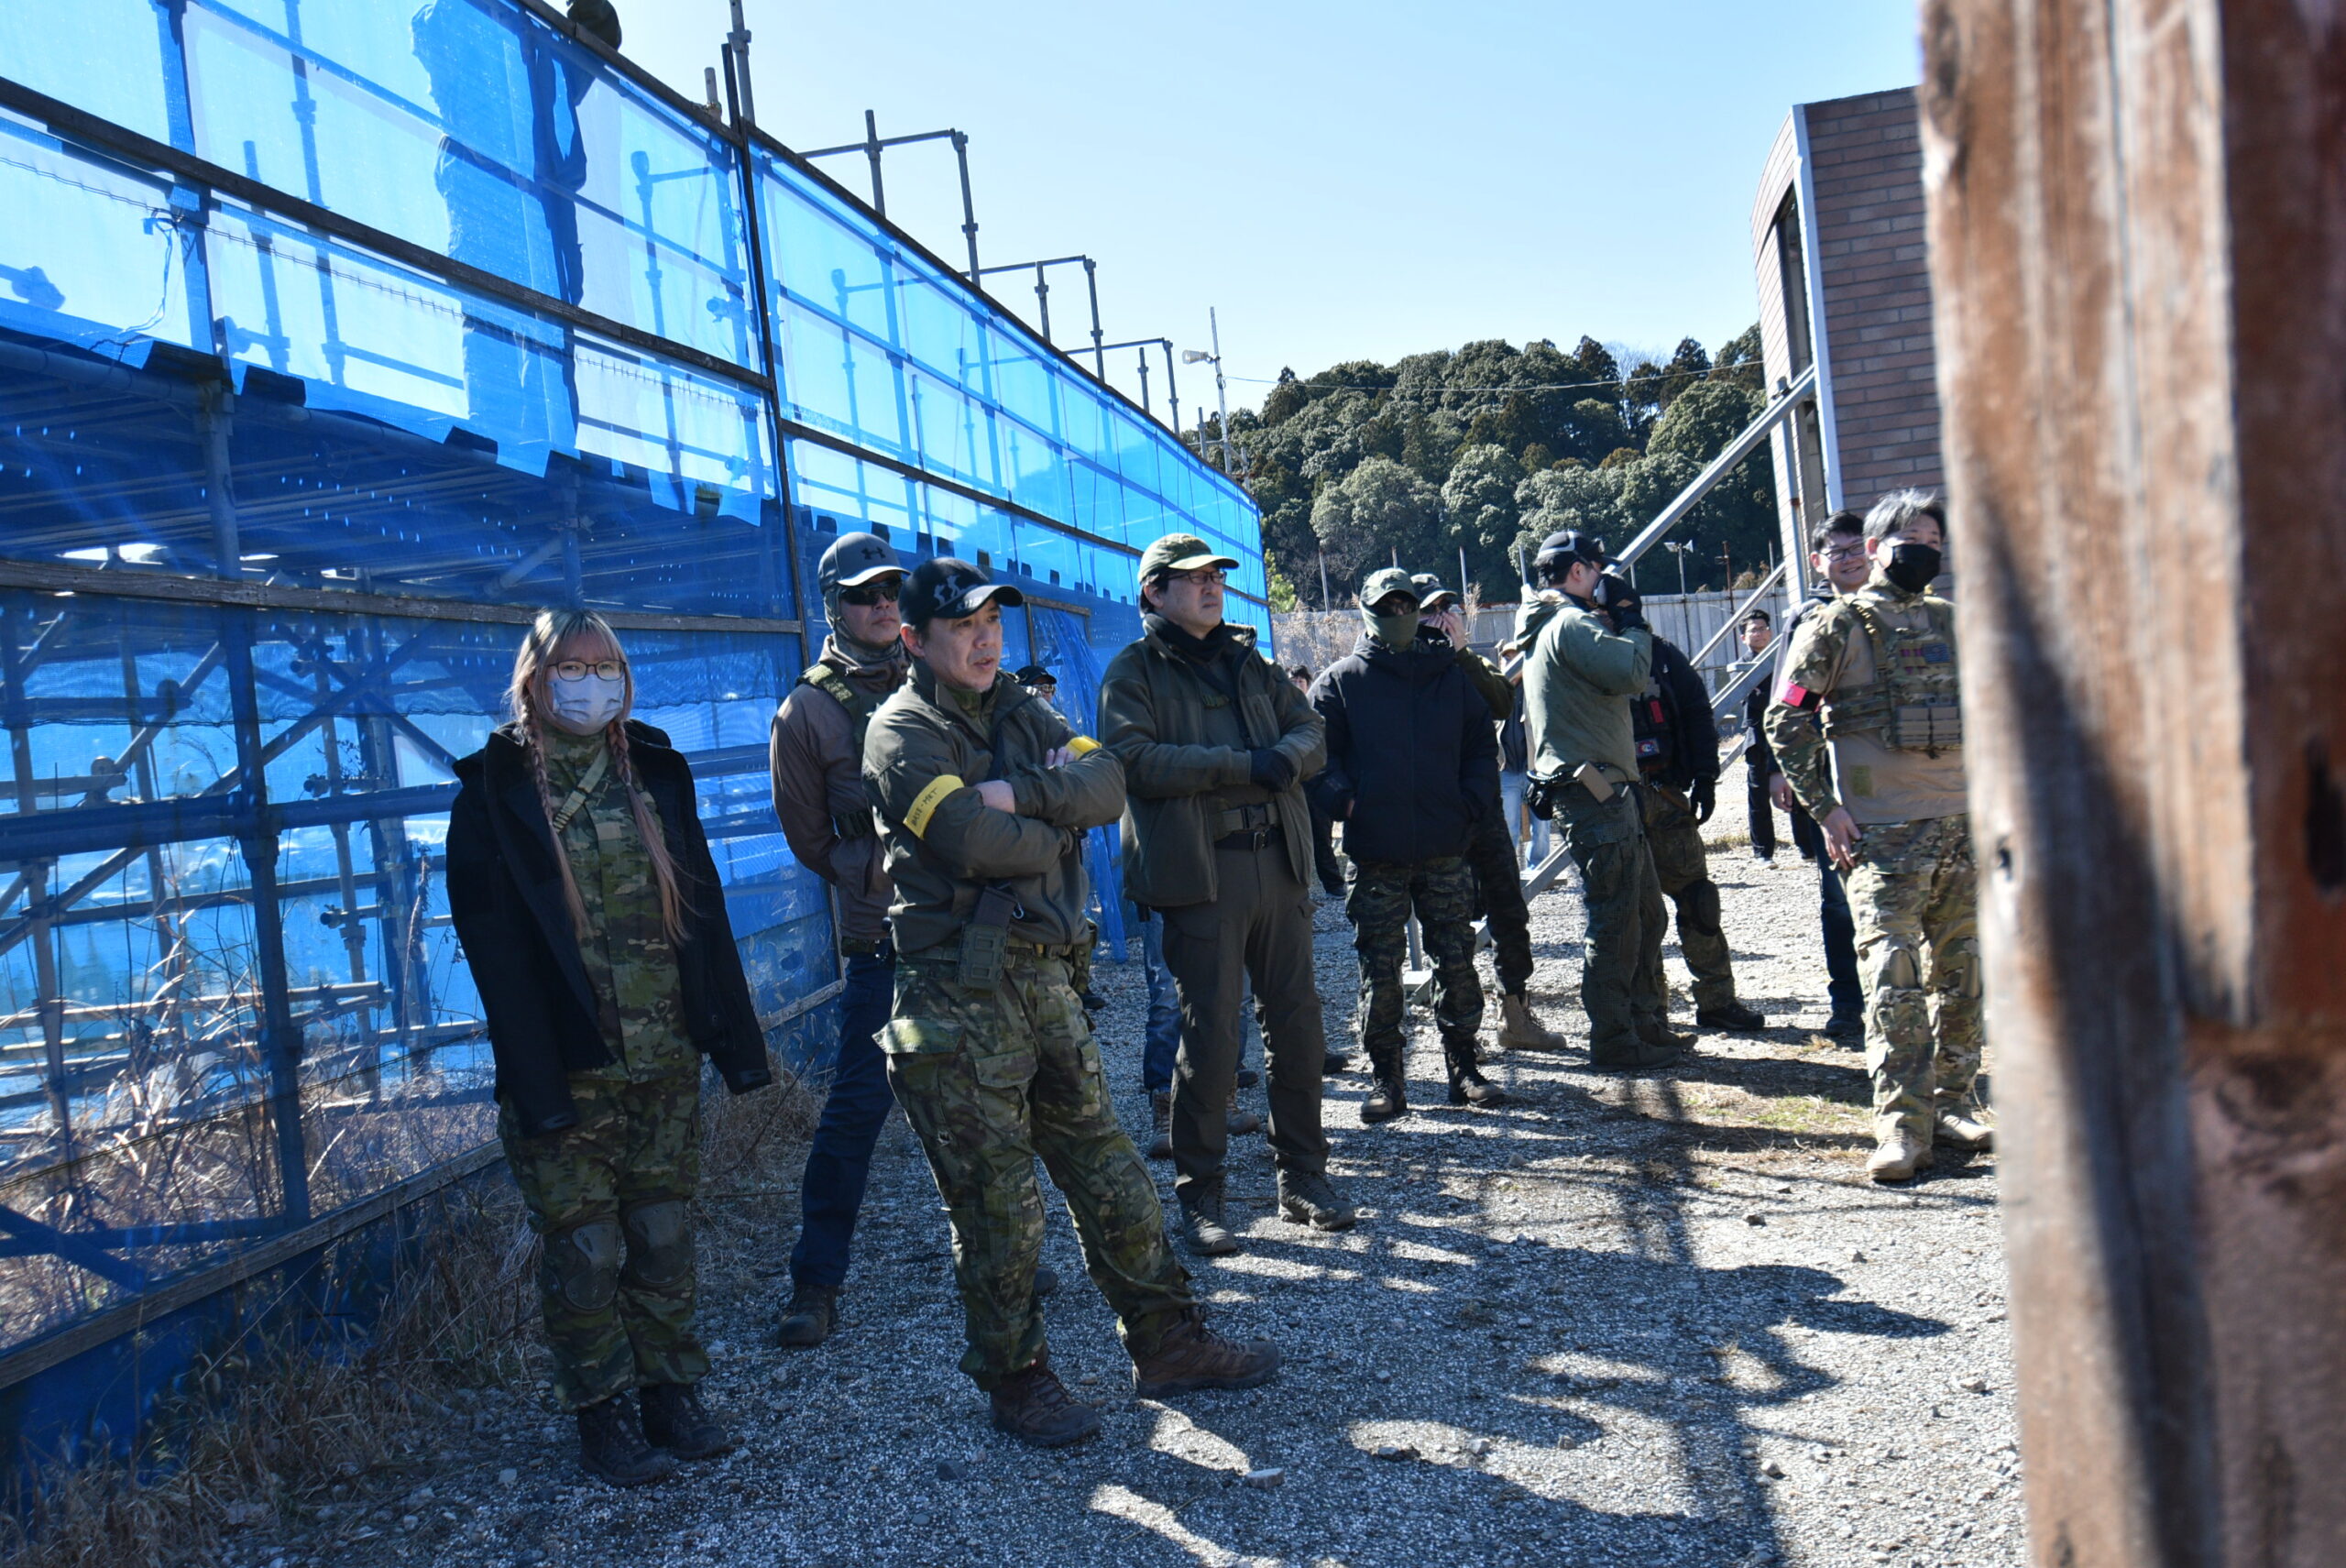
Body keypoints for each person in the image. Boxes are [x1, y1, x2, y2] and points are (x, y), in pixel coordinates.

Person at [863, 555, 1277, 1446]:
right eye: (963, 627)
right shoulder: (900, 731)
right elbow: (971, 840)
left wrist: (1026, 796)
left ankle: (1166, 1340)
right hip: (957, 992)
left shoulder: (1021, 707)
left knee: (1112, 1171)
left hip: (1046, 978)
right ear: (915, 641)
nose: (984, 641)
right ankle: (1016, 1379)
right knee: (999, 1204)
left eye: (991, 623)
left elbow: (1108, 783)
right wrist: (1056, 828)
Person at [448, 610, 773, 1487]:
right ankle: (602, 1412)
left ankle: (672, 1393)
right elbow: (495, 957)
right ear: (535, 679)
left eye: (605, 667)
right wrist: (536, 1082)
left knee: (663, 1232)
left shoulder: (655, 773)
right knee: (585, 1249)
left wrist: (731, 1041)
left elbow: (703, 914)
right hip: (569, 1067)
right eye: (571, 667)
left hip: (663, 1059)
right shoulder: (493, 795)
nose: (589, 684)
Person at [1100, 535, 1353, 1256]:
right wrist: (1244, 765)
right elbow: (1133, 759)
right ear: (1154, 592)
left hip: (1279, 863)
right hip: (1201, 874)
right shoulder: (1135, 670)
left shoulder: (1249, 660)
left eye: (1216, 575)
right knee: (1210, 1037)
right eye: (1194, 578)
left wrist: (1284, 759)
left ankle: (1303, 1176)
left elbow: (1311, 730)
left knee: (1298, 1027)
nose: (1212, 586)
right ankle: (1201, 1194)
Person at [1764, 491, 1987, 1182]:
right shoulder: (1837, 624)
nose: (1925, 550)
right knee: (1893, 981)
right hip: (1881, 837)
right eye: (1912, 537)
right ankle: (1901, 1128)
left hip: (1960, 829)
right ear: (1875, 547)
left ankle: (1953, 1105)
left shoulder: (1953, 621)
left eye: (1935, 541)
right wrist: (1826, 809)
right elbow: (1786, 718)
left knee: (1965, 978)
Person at [1310, 567, 1504, 1120]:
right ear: (1367, 611)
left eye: (1405, 606)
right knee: (1380, 969)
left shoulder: (1449, 675)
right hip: (1376, 853)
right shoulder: (1342, 682)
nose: (1397, 615)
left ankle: (1464, 1066)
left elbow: (1480, 748)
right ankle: (1387, 1078)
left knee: (1457, 959)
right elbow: (1317, 760)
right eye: (1386, 607)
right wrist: (1349, 804)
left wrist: (1468, 804)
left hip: (1445, 848)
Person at [1517, 531, 1683, 1069]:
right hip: (1595, 793)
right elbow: (1633, 672)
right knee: (1616, 920)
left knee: (1644, 913)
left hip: (1603, 790)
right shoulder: (1570, 623)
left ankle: (1643, 1022)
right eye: (1597, 570)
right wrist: (1632, 622)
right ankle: (1614, 1038)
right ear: (1579, 572)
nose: (1604, 581)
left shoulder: (1551, 624)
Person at [1411, 574, 1569, 1051]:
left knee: (1508, 910)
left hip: (1483, 808)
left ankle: (1514, 1015)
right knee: (1449, 920)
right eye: (1428, 612)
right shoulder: (1401, 668)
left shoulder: (1468, 662)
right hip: (1436, 813)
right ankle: (1459, 1026)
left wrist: (1460, 653)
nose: (1441, 620)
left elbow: (1502, 701)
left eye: (1447, 609)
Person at [1749, 514, 1870, 1043]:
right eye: (1837, 552)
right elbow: (1785, 701)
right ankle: (1847, 1004)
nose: (1850, 559)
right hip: (1833, 779)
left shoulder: (1900, 611)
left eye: (1856, 548)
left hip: (1900, 782)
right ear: (1819, 563)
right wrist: (1779, 769)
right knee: (1839, 896)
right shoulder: (1809, 618)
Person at [1632, 632, 1767, 1033]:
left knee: (1698, 900)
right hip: (1613, 802)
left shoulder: (1661, 654)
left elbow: (1696, 712)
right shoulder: (1581, 648)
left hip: (1667, 794)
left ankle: (1717, 1001)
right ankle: (1650, 1013)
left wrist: (1706, 775)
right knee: (1638, 913)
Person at [1290, 663, 1348, 897]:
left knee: (1321, 834)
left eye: (1301, 681)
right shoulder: (1280, 709)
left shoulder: (1318, 708)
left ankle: (1333, 884)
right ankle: (1298, 889)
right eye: (1293, 681)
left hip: (1318, 779)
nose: (1297, 685)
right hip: (1293, 783)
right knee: (1295, 839)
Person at [1498, 658, 1551, 872]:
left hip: (1534, 768)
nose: (1511, 663)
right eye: (1507, 658)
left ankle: (1539, 870)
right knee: (1508, 825)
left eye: (1515, 658)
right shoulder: (1496, 691)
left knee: (1541, 825)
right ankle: (1508, 872)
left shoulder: (1534, 687)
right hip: (1507, 770)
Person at [1737, 611, 1780, 861]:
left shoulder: (1782, 659)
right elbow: (1754, 699)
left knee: (1798, 791)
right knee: (1759, 795)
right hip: (1757, 734)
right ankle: (1763, 852)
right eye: (1753, 630)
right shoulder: (1741, 666)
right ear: (1744, 637)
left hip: (1784, 731)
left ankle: (1807, 848)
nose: (1759, 633)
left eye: (1763, 628)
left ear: (1770, 632)